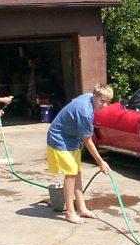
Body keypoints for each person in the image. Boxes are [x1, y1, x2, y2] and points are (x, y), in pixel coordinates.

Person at [47, 83, 113, 224]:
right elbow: (88, 141)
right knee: (71, 173)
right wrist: (101, 162)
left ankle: (81, 208)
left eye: (108, 102)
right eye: (102, 101)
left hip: (71, 138)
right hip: (59, 137)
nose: (105, 105)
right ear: (95, 95)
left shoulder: (89, 96)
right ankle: (70, 213)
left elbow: (73, 103)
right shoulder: (86, 113)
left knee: (77, 172)